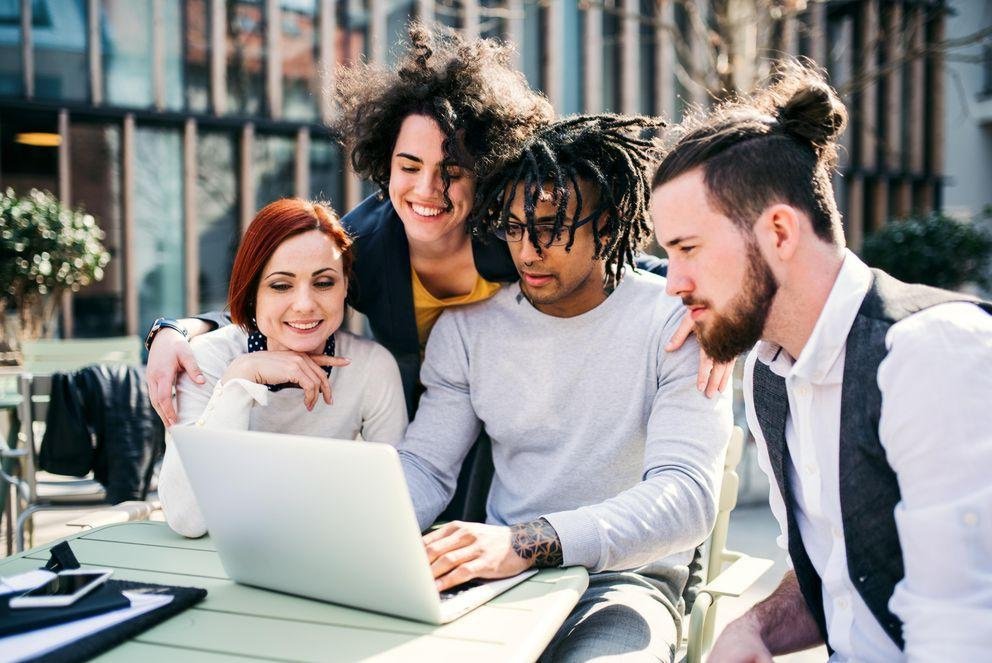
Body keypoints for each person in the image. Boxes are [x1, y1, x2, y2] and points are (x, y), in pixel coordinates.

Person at [144, 24, 729, 429]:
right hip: (425, 415)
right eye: (409, 166)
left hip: (521, 408)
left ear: (485, 171)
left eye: (452, 171)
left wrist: (708, 314)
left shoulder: (511, 231)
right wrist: (178, 329)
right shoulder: (365, 246)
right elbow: (283, 297)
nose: (426, 191)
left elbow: (611, 265)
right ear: (383, 164)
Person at [651, 62, 992, 661]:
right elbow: (837, 580)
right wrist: (754, 626)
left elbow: (961, 631)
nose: (672, 282)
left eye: (688, 249)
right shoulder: (769, 377)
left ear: (779, 232)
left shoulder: (930, 354)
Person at [397, 115, 734, 662]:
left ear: (607, 225)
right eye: (512, 227)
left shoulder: (679, 327)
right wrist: (364, 533)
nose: (527, 252)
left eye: (551, 228)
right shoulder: (467, 329)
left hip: (622, 587)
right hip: (497, 584)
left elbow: (687, 499)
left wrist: (526, 543)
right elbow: (427, 466)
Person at [158, 199, 407, 538]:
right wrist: (240, 380)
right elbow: (187, 518)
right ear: (252, 292)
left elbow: (396, 501)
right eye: (280, 285)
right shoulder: (207, 359)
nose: (304, 305)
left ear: (345, 285)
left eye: (323, 283)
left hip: (326, 548)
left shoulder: (371, 367)